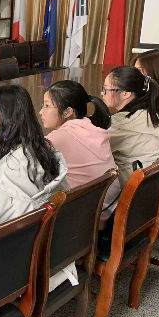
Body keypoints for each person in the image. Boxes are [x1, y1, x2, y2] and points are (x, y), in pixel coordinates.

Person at [0, 85, 72, 291]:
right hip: (55, 252)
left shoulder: (5, 174)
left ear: (5, 119)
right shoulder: (42, 149)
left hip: (19, 270)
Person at [40, 80, 120, 223]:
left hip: (86, 219)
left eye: (46, 106)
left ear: (67, 112)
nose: (41, 112)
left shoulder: (58, 138)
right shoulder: (93, 128)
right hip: (109, 208)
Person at [102, 65, 159, 187]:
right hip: (154, 186)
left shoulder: (119, 125)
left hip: (130, 189)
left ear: (125, 94)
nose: (102, 93)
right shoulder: (154, 115)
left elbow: (95, 149)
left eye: (106, 89)